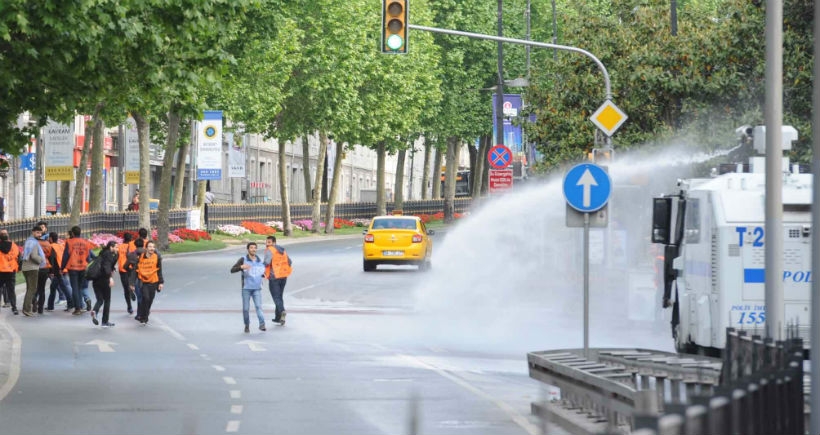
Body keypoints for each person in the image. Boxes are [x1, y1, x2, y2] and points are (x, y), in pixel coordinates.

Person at [231, 242, 266, 333]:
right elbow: (232, 270)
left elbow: (260, 272)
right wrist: (241, 267)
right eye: (251, 248)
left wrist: (263, 275)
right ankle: (247, 324)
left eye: (255, 248)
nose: (253, 249)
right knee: (246, 309)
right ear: (248, 249)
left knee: (258, 306)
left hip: (257, 288)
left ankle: (262, 324)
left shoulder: (259, 260)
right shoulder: (243, 259)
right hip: (246, 288)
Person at [62, 226, 96, 315]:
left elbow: (66, 255)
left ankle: (78, 308)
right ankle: (80, 305)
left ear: (72, 233)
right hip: (83, 267)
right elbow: (88, 257)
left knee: (75, 288)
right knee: (80, 287)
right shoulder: (86, 242)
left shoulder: (69, 242)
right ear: (80, 232)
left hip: (73, 267)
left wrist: (62, 267)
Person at [130, 240, 163, 326]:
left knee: (150, 300)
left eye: (153, 247)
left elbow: (159, 271)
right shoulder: (141, 257)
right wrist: (132, 283)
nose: (152, 248)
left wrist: (161, 282)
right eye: (150, 247)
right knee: (146, 298)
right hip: (143, 282)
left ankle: (145, 314)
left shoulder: (157, 257)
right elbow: (135, 271)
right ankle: (144, 317)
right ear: (146, 248)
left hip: (153, 281)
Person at [263, 236, 292, 325]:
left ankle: (282, 311)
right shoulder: (282, 250)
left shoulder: (270, 250)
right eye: (267, 242)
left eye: (269, 242)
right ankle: (278, 317)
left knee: (276, 297)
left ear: (274, 243)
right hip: (283, 276)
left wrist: (259, 267)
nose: (267, 244)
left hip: (274, 277)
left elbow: (266, 262)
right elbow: (290, 262)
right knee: (279, 296)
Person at [90, 241, 118, 327]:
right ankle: (105, 321)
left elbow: (109, 264)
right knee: (107, 300)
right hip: (104, 279)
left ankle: (95, 311)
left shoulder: (102, 253)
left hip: (96, 280)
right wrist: (110, 277)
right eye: (116, 247)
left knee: (100, 299)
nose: (117, 249)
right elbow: (107, 267)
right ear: (111, 247)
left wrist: (116, 256)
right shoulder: (108, 254)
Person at [34, 222, 58, 314]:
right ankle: (40, 309)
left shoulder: (34, 243)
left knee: (33, 288)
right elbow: (51, 257)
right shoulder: (48, 244)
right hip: (45, 267)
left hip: (35, 267)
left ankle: (34, 303)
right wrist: (51, 270)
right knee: (42, 288)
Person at [21, 226, 46, 316]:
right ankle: (27, 309)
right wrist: (42, 259)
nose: (39, 235)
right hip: (32, 268)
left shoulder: (28, 241)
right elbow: (34, 256)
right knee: (32, 289)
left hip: (25, 267)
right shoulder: (34, 243)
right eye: (37, 233)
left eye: (40, 233)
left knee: (29, 288)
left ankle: (26, 308)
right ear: (33, 232)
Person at [46, 232, 73, 312]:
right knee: (53, 287)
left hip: (58, 270)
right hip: (63, 268)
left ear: (50, 238)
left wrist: (51, 271)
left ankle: (71, 304)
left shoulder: (51, 247)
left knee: (64, 288)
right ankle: (50, 306)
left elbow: (52, 260)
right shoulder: (60, 246)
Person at [0, 231, 20, 315]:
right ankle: (14, 308)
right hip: (11, 270)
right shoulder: (14, 246)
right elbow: (18, 256)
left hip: (1, 270)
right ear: (8, 236)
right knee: (11, 290)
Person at [117, 233, 136, 314]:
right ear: (131, 238)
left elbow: (116, 257)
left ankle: (129, 307)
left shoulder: (119, 247)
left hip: (122, 269)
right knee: (131, 284)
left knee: (125, 289)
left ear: (123, 238)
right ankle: (131, 289)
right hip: (131, 268)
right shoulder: (132, 246)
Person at [127, 238, 146, 321]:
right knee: (145, 296)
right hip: (147, 277)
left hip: (137, 277)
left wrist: (130, 270)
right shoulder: (147, 253)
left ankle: (140, 314)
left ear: (135, 245)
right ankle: (144, 312)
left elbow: (125, 266)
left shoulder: (131, 254)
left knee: (139, 296)